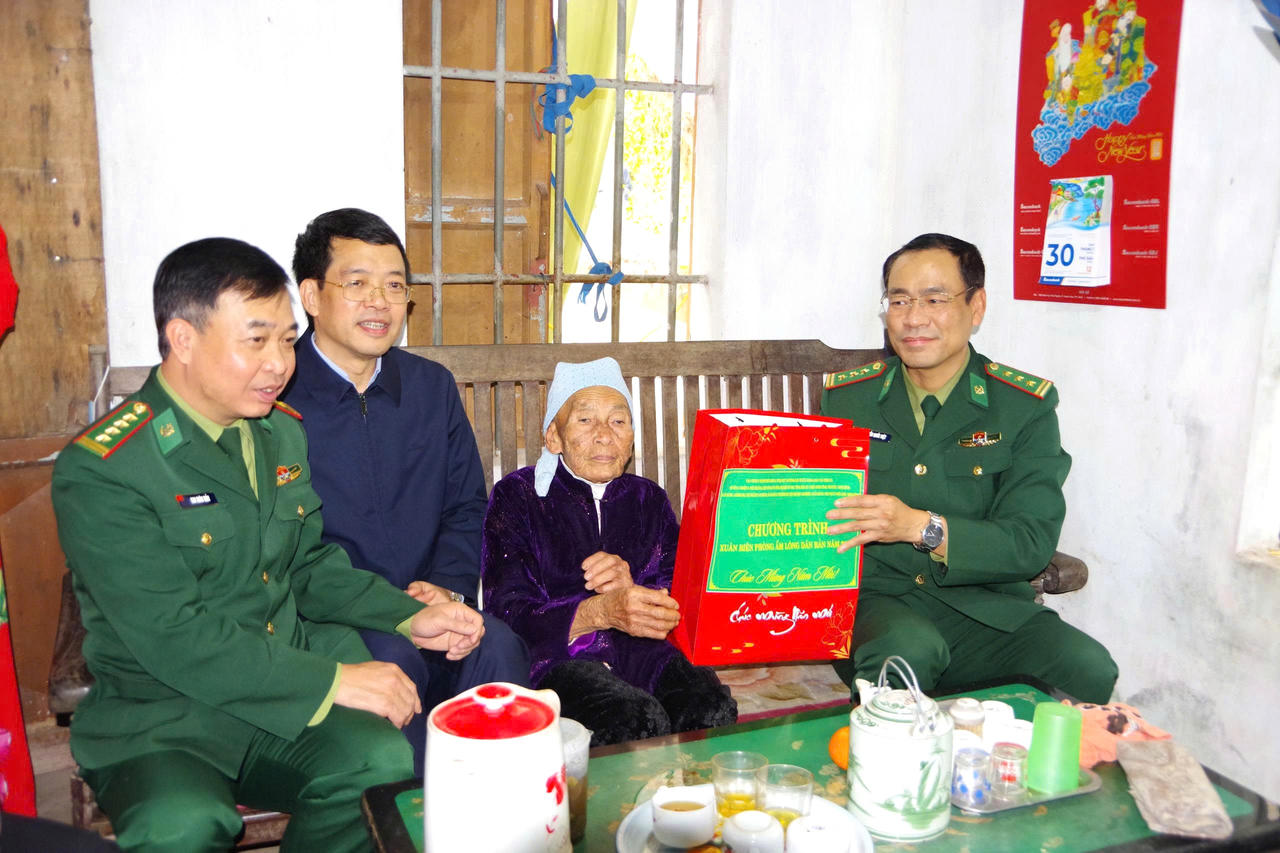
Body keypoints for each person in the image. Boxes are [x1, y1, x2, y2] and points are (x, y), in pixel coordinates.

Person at [51, 237, 484, 852]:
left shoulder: (277, 433)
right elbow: (174, 636)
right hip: (166, 717)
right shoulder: (107, 467)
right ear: (183, 339)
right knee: (182, 825)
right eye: (256, 341)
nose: (280, 364)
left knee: (378, 763)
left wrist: (410, 615)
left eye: (285, 340)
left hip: (278, 706)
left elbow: (307, 565)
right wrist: (333, 682)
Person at [282, 208, 530, 773]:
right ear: (312, 296)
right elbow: (290, 554)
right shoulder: (277, 397)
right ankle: (412, 814)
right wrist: (397, 612)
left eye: (394, 286)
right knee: (396, 663)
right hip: (336, 620)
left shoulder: (429, 387)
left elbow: (466, 505)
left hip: (432, 601)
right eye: (358, 283)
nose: (380, 302)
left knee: (497, 644)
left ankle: (503, 811)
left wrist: (448, 590)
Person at [821, 233, 1117, 703]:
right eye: (899, 300)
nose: (914, 318)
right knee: (908, 653)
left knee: (1088, 667)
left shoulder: (1022, 408)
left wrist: (922, 527)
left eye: (934, 299)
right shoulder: (847, 399)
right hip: (876, 607)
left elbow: (1030, 542)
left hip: (984, 609)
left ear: (976, 307)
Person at [481, 358, 737, 745]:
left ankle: (688, 787)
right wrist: (598, 611)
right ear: (554, 437)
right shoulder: (518, 496)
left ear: (631, 437)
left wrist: (634, 589)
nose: (604, 435)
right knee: (631, 718)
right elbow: (506, 611)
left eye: (618, 420)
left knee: (708, 706)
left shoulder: (647, 499)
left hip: (642, 649)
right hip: (556, 657)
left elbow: (682, 593)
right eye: (585, 420)